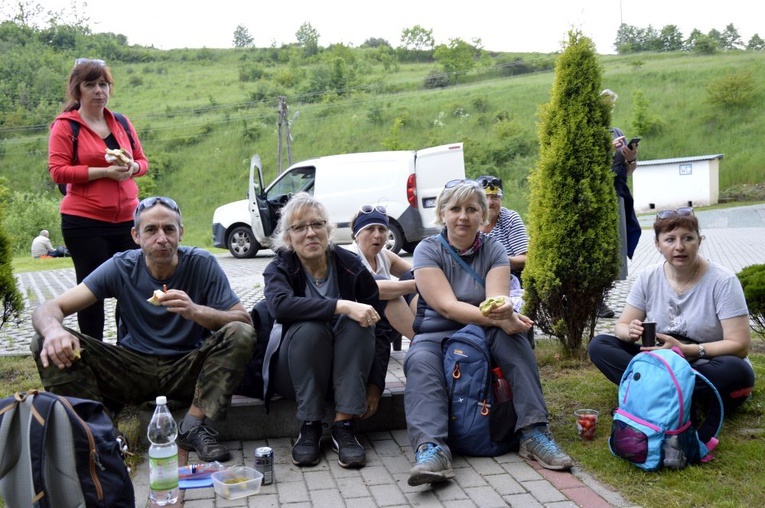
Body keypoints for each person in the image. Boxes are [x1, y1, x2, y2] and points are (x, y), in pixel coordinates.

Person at [30, 196, 255, 462]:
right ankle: (103, 435)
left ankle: (192, 425)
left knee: (241, 334)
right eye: (151, 230)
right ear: (136, 236)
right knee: (42, 338)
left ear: (180, 233)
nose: (162, 238)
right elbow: (50, 308)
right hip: (130, 370)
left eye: (169, 229)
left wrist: (196, 311)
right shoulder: (121, 266)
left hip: (186, 370)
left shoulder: (201, 263)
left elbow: (244, 320)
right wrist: (55, 331)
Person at [404, 179, 572, 487]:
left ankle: (534, 432)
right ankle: (432, 450)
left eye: (471, 209)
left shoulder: (494, 248)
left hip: (483, 328)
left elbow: (496, 299)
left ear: (483, 214)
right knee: (419, 361)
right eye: (454, 209)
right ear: (442, 213)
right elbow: (447, 306)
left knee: (513, 337)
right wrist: (500, 318)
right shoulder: (427, 250)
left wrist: (505, 313)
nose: (463, 217)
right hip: (437, 332)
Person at [588, 208, 754, 444]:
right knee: (600, 345)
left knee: (738, 371)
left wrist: (687, 351)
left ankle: (652, 395)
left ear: (700, 240)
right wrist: (630, 331)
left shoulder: (723, 281)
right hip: (661, 359)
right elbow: (621, 326)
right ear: (657, 244)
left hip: (703, 360)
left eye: (688, 238)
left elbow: (740, 346)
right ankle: (678, 397)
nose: (679, 247)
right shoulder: (648, 277)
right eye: (670, 239)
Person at [261, 193, 387, 469]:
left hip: (348, 374)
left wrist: (376, 385)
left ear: (328, 231)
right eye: (299, 227)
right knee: (310, 328)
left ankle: (343, 426)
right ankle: (310, 425)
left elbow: (380, 330)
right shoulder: (280, 268)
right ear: (288, 238)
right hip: (293, 373)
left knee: (361, 320)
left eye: (317, 225)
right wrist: (341, 306)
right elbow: (280, 306)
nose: (310, 233)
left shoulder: (352, 267)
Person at [48, 58, 149, 341]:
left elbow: (142, 161)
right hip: (85, 223)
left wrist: (133, 168)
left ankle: (130, 352)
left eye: (103, 84)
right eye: (90, 84)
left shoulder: (121, 122)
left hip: (128, 221)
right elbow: (57, 171)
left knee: (133, 288)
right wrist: (104, 172)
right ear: (77, 90)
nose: (98, 90)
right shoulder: (66, 126)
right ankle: (93, 355)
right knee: (90, 293)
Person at [348, 204, 418, 345]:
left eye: (382, 229)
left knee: (411, 277)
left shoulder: (385, 255)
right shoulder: (349, 256)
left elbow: (419, 273)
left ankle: (428, 333)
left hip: (385, 322)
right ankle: (420, 341)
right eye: (370, 229)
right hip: (359, 324)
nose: (377, 235)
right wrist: (420, 285)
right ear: (357, 235)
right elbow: (374, 288)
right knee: (383, 288)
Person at [599, 89, 640, 318]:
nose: (609, 108)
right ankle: (596, 300)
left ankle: (604, 297)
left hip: (618, 193)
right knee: (602, 248)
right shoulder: (588, 130)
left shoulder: (617, 131)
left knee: (617, 248)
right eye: (605, 104)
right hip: (597, 197)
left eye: (611, 104)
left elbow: (629, 170)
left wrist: (631, 157)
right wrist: (606, 149)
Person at [476, 175, 529, 288]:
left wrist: (497, 258)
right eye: (485, 197)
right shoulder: (469, 221)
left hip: (509, 280)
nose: (490, 203)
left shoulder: (510, 218)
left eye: (495, 197)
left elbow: (525, 259)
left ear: (500, 199)